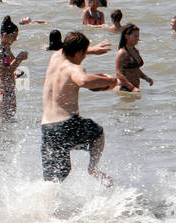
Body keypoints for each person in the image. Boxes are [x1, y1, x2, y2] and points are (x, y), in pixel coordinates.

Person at [40, 31, 118, 183]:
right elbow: (84, 81)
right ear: (79, 52)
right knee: (97, 133)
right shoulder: (74, 68)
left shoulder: (55, 57)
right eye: (84, 54)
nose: (84, 58)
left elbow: (63, 50)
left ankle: (44, 204)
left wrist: (91, 49)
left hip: (47, 127)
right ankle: (93, 168)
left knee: (55, 177)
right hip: (66, 125)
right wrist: (111, 81)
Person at [0, 16, 29, 122]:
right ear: (5, 35)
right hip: (1, 91)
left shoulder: (6, 46)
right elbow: (3, 73)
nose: (15, 39)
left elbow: (11, 65)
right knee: (2, 125)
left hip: (10, 90)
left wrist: (20, 72)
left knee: (11, 124)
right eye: (14, 37)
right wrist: (19, 59)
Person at [115, 24, 153, 92]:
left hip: (134, 89)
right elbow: (118, 73)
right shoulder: (122, 53)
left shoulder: (135, 50)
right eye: (135, 36)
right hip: (124, 89)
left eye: (138, 36)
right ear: (126, 36)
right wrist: (132, 88)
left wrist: (146, 78)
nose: (138, 39)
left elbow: (135, 69)